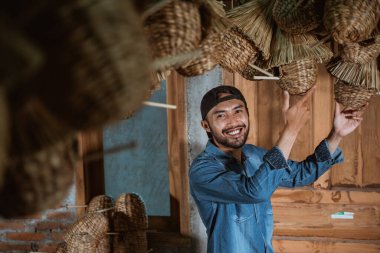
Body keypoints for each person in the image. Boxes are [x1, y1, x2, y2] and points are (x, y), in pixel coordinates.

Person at [189, 85, 364, 253]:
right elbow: (254, 192)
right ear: (206, 126)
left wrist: (336, 134)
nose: (233, 121)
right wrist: (291, 129)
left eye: (238, 111)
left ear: (248, 114)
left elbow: (300, 175)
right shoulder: (202, 170)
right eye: (221, 116)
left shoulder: (254, 154)